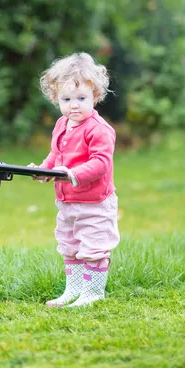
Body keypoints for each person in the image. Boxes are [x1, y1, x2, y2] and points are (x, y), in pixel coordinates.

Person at [28, 52, 119, 308]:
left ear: (96, 96)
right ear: (56, 99)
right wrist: (44, 170)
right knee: (70, 245)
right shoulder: (62, 124)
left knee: (93, 247)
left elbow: (101, 163)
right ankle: (74, 289)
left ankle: (92, 293)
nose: (74, 105)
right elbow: (55, 155)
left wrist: (73, 174)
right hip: (67, 202)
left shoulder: (99, 130)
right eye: (66, 99)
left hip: (94, 203)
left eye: (81, 98)